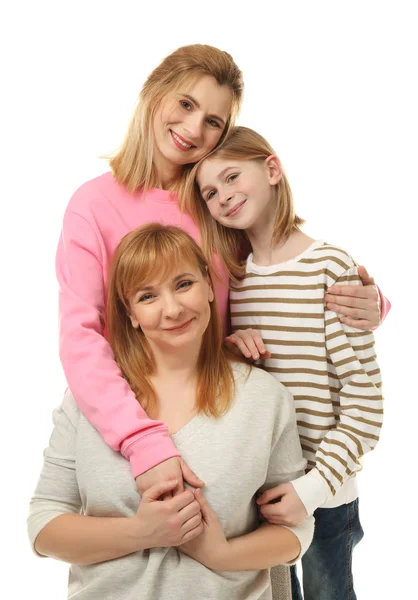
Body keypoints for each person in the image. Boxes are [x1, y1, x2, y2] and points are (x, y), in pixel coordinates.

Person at [57, 43, 386, 504]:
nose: (194, 129)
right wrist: (140, 440)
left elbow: (279, 269)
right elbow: (80, 335)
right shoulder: (92, 204)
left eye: (214, 121)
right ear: (154, 94)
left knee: (251, 564)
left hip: (226, 418)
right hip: (130, 421)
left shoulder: (215, 203)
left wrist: (365, 300)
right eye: (186, 105)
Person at [28, 224, 315, 600]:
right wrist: (142, 532)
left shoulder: (264, 399)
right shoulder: (88, 402)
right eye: (148, 296)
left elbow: (296, 529)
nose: (173, 309)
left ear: (209, 288)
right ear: (130, 313)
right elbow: (43, 525)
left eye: (183, 284)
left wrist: (221, 554)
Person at [191, 126, 384, 600]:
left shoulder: (329, 267)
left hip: (325, 493)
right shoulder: (235, 282)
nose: (224, 197)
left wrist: (314, 489)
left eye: (233, 177)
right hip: (263, 493)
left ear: (272, 169)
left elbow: (365, 408)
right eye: (211, 192)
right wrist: (233, 348)